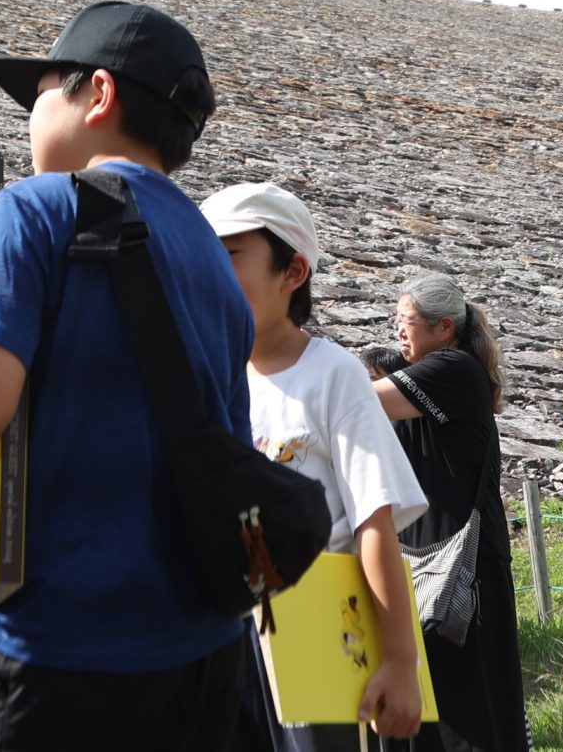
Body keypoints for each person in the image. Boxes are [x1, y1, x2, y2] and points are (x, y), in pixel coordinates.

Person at [0, 0, 256, 752]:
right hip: (202, 652)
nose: (30, 117)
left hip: (60, 646)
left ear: (99, 93)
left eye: (40, 95)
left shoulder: (34, 208)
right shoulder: (210, 254)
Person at [200, 182, 429, 748]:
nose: (208, 276)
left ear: (293, 271)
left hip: (321, 629)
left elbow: (373, 520)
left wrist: (400, 661)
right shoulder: (209, 378)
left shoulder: (333, 374)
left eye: (229, 256)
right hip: (227, 636)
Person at [373, 273, 530, 752]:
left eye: (407, 322)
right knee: (439, 705)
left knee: (466, 710)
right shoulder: (432, 376)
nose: (399, 331)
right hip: (432, 562)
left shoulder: (454, 368)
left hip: (466, 566)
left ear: (444, 328)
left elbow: (362, 400)